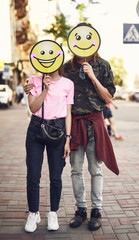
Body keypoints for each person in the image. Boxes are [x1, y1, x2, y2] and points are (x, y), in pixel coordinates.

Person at [24, 22, 119, 231]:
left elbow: (109, 96)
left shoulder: (103, 65)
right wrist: (31, 86)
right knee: (76, 170)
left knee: (95, 170)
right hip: (72, 125)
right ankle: (80, 209)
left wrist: (93, 76)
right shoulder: (66, 67)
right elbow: (51, 83)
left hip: (94, 123)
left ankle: (96, 210)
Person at [24, 70, 74, 233]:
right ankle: (33, 213)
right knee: (33, 175)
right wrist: (45, 89)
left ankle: (53, 213)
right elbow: (33, 107)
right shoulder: (33, 80)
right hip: (36, 128)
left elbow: (68, 113)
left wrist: (68, 139)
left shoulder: (68, 84)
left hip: (58, 129)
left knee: (55, 176)